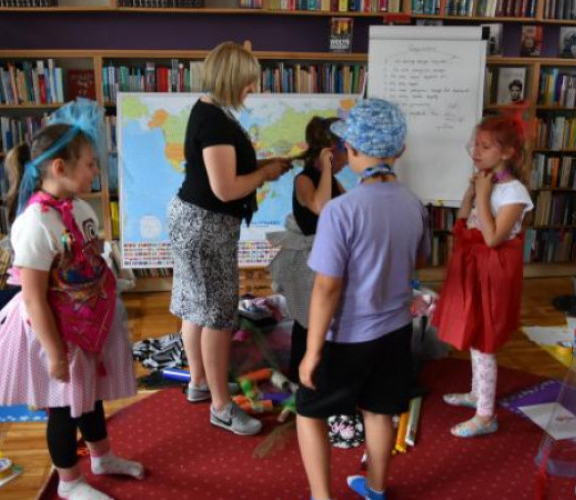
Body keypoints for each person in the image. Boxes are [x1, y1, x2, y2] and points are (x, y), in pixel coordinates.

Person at [0, 99, 143, 500]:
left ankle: (101, 457)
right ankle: (70, 482)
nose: (96, 171)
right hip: (55, 333)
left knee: (89, 398)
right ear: (60, 168)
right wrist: (55, 353)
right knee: (63, 410)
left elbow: (88, 252)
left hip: (87, 323)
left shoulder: (79, 208)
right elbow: (34, 299)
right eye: (90, 164)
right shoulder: (35, 223)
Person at [295, 98, 430, 500]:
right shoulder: (414, 204)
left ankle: (322, 497)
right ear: (400, 150)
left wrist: (312, 351)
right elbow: (419, 260)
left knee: (309, 412)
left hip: (347, 336)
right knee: (379, 410)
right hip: (396, 331)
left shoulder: (340, 210)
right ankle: (375, 489)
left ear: (350, 150)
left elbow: (326, 287)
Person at [167, 41, 291, 436]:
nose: (252, 89)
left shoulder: (209, 110)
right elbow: (226, 189)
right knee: (217, 317)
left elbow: (223, 173)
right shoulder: (216, 122)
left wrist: (262, 165)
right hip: (206, 228)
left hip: (195, 222)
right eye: (248, 82)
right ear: (231, 79)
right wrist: (265, 174)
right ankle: (221, 407)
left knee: (196, 309)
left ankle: (201, 383)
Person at [432, 113, 533, 438]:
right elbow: (462, 224)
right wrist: (471, 194)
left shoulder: (514, 192)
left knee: (485, 341)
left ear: (507, 152)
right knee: (475, 335)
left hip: (493, 275)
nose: (476, 151)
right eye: (475, 144)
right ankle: (478, 394)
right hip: (474, 271)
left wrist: (484, 195)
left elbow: (492, 239)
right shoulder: (488, 183)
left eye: (486, 146)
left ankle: (486, 415)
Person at [267, 115, 348, 385]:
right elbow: (321, 208)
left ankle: (325, 373)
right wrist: (326, 169)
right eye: (345, 152)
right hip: (307, 262)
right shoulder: (304, 179)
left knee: (326, 318)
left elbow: (347, 206)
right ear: (330, 152)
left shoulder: (332, 180)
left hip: (327, 255)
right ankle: (301, 377)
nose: (349, 159)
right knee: (308, 321)